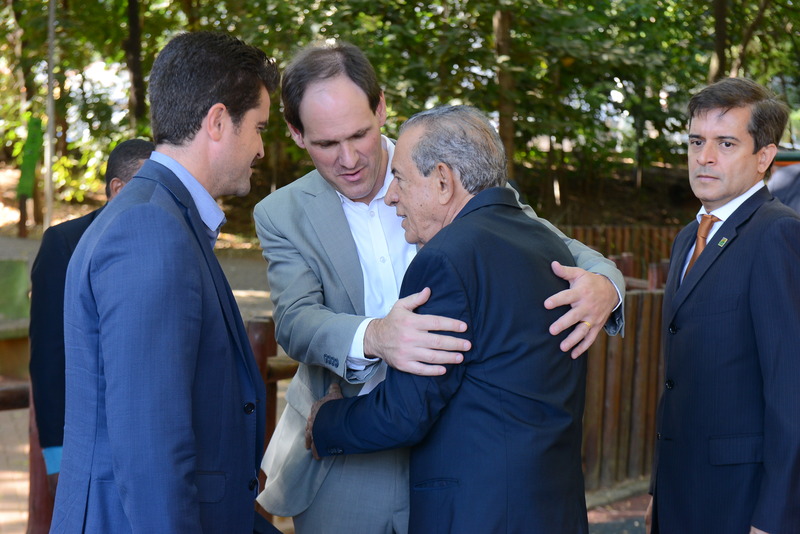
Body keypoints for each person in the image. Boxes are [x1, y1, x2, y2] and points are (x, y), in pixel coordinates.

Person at [254, 41, 623, 533]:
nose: (349, 158)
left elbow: (550, 245)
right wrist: (374, 336)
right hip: (341, 469)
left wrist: (606, 286)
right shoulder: (280, 213)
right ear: (297, 134)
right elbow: (295, 320)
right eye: (325, 144)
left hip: (455, 461)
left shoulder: (451, 167)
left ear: (380, 108)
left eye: (360, 134)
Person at [306, 105, 589, 533]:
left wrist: (327, 422)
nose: (391, 196)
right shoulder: (549, 244)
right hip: (554, 508)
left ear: (442, 180)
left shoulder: (445, 259)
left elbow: (405, 412)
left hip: (479, 515)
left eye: (400, 178)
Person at [50, 32, 281, 533]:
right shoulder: (150, 229)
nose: (262, 148)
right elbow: (150, 447)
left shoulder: (163, 217)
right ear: (217, 122)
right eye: (259, 128)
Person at [646, 77, 800, 534]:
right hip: (680, 491)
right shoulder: (687, 237)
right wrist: (658, 489)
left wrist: (775, 518)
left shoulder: (777, 234)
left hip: (739, 501)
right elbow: (677, 381)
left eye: (726, 143)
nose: (704, 157)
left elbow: (790, 389)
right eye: (697, 141)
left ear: (764, 157)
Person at [29, 138, 153, 506]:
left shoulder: (174, 240)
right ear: (118, 189)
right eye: (151, 187)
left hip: (151, 440)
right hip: (88, 441)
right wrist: (57, 456)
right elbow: (49, 356)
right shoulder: (65, 243)